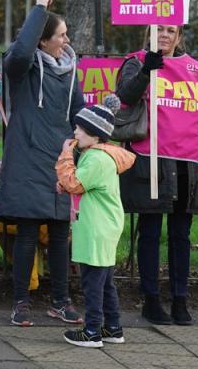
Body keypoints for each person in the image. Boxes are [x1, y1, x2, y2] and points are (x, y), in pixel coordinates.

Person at [115, 25, 198, 325]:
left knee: (181, 236)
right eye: (158, 29)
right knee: (149, 232)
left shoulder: (195, 69)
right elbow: (124, 96)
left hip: (189, 163)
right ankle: (150, 300)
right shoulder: (136, 60)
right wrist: (146, 70)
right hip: (150, 161)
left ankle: (179, 299)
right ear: (149, 33)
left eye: (170, 30)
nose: (164, 35)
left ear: (179, 36)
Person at [0, 0, 85, 327]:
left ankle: (61, 302)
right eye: (61, 34)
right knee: (28, 232)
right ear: (43, 40)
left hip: (60, 157)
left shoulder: (70, 69)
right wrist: (39, 9)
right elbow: (18, 52)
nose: (67, 40)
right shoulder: (25, 67)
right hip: (28, 155)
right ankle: (20, 302)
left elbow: (78, 111)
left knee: (61, 233)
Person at [55, 94, 135, 348]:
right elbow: (83, 184)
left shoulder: (98, 158)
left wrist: (65, 157)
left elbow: (76, 183)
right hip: (100, 226)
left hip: (96, 228)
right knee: (104, 281)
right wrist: (67, 184)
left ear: (95, 134)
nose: (75, 132)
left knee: (92, 283)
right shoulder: (98, 155)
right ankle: (112, 328)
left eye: (80, 128)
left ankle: (91, 332)